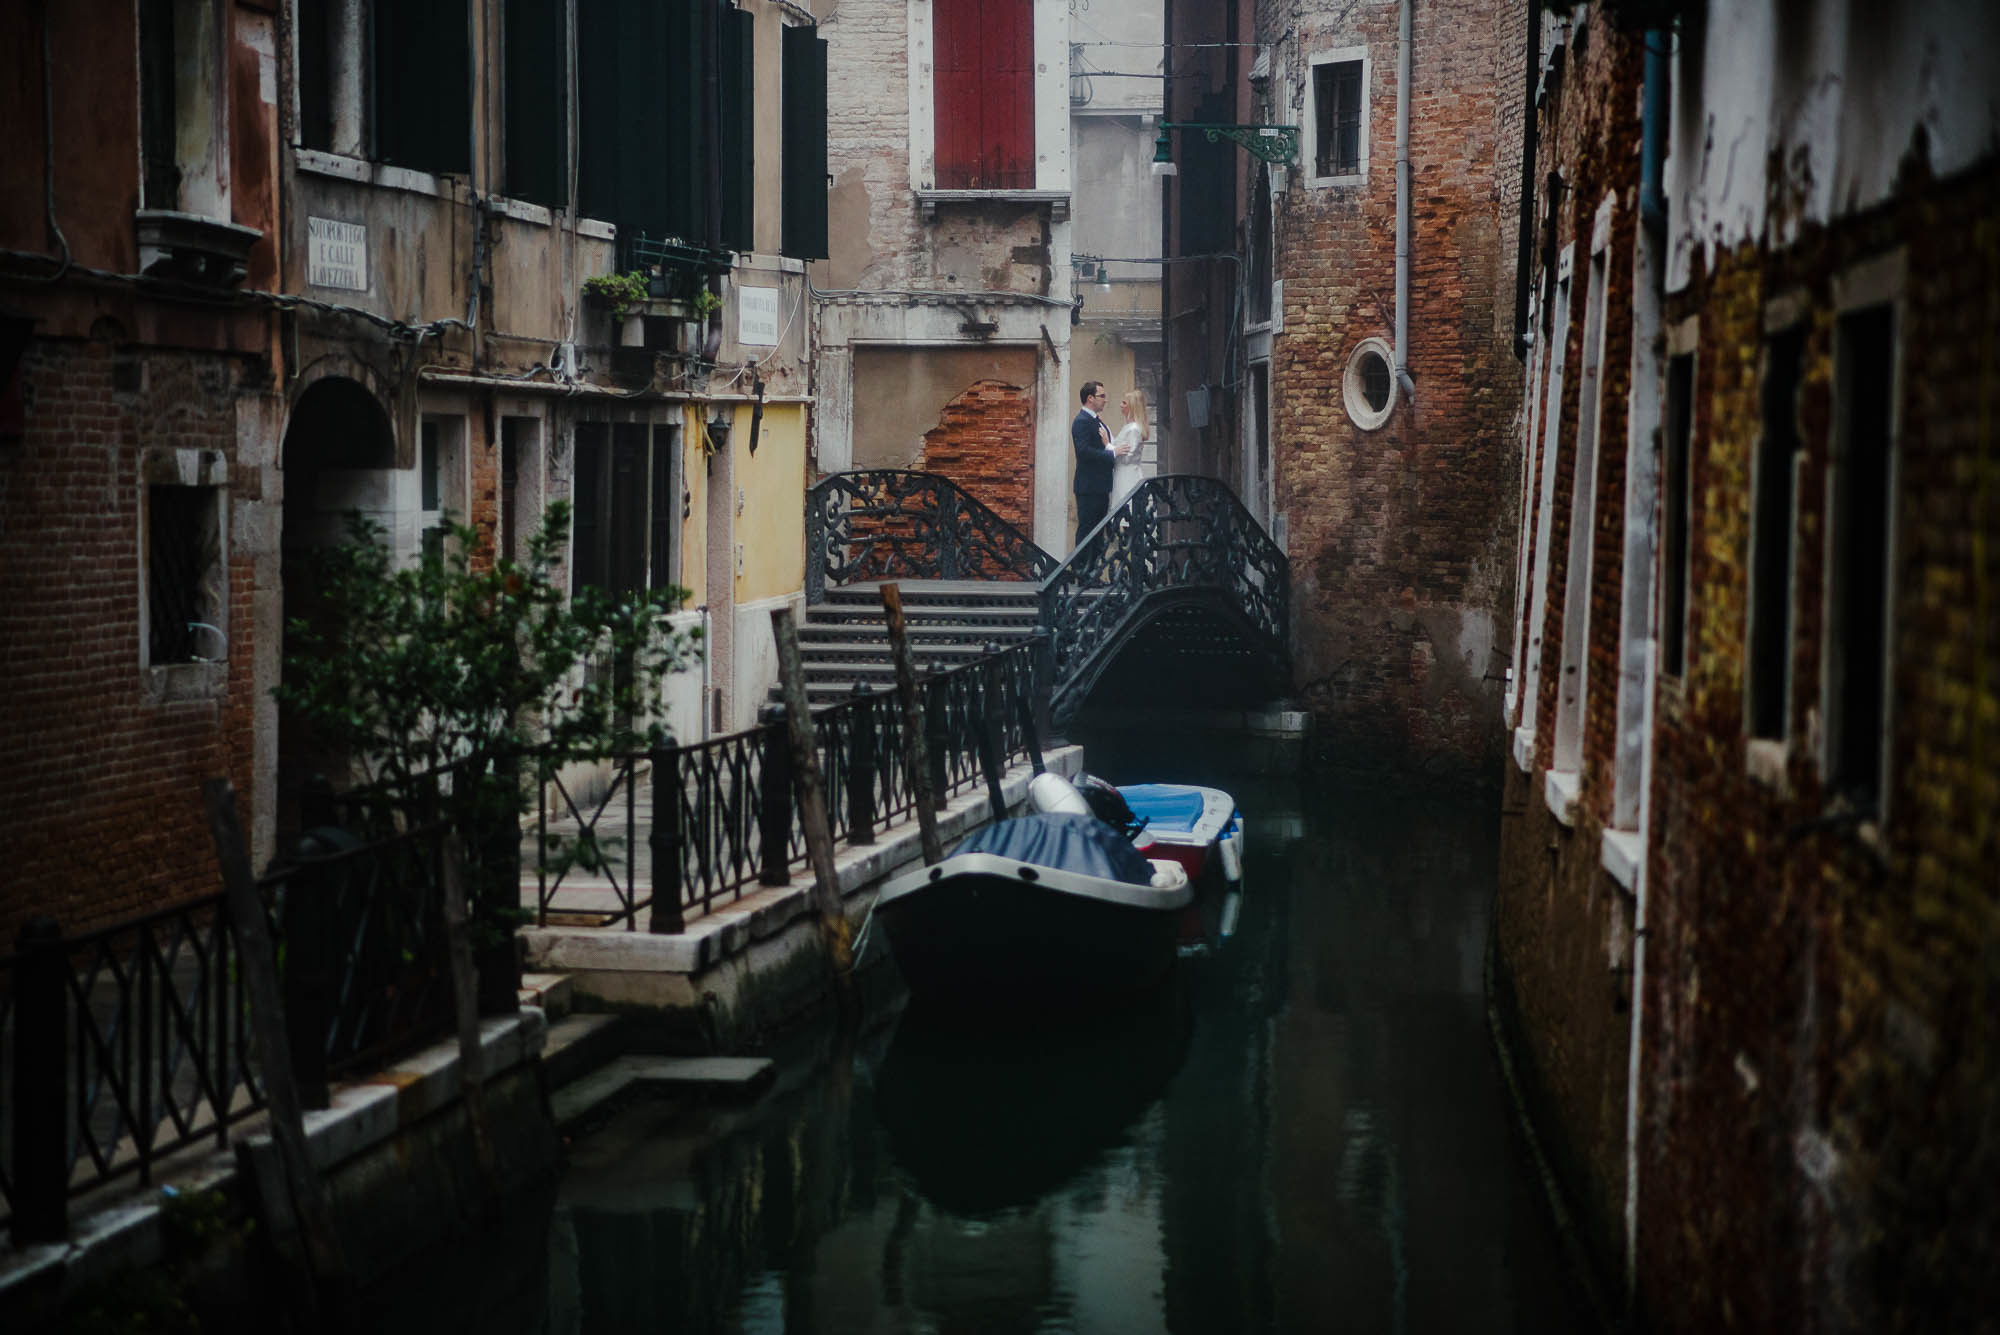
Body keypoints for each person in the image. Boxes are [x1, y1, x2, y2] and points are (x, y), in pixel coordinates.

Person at [1070, 380, 1122, 543]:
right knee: (1087, 533)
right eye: (1102, 396)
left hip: (1099, 486)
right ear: (1090, 398)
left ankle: (1092, 567)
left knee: (1097, 534)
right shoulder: (1081, 421)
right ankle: (1081, 568)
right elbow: (1083, 452)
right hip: (1089, 487)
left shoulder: (1095, 420)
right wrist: (1111, 454)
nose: (1105, 400)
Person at [1109, 389, 1148, 508]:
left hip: (1128, 477)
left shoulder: (1133, 429)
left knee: (1127, 513)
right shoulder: (1129, 427)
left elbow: (1126, 458)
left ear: (1132, 407)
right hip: (1122, 475)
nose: (1121, 405)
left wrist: (1108, 445)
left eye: (1124, 403)